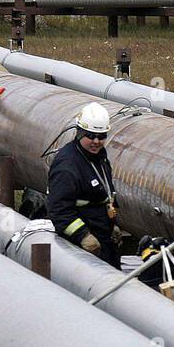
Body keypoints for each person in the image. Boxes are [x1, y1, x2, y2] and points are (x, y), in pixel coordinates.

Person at [47, 101, 122, 269]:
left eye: (101, 136)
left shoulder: (99, 157)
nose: (96, 141)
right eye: (91, 135)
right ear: (79, 132)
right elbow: (58, 209)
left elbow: (106, 192)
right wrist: (83, 236)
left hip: (103, 237)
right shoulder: (67, 165)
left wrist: (114, 224)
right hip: (81, 247)